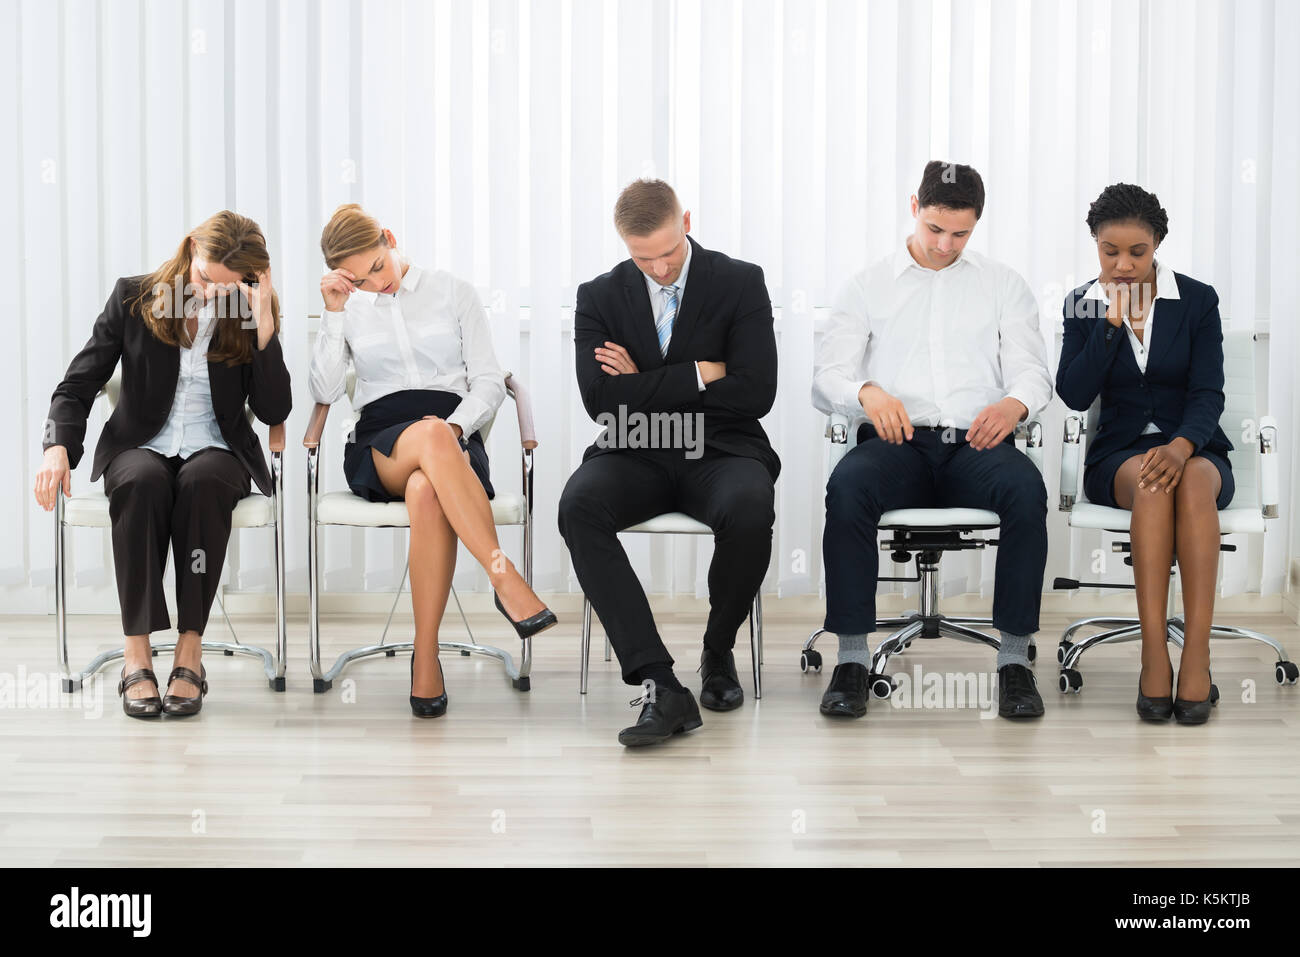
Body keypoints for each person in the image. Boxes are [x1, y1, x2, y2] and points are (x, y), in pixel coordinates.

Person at [812, 161, 1054, 721]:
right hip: (897, 444)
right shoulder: (867, 285)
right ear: (913, 205)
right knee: (847, 488)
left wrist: (1015, 403)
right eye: (935, 229)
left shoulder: (1003, 284)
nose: (946, 244)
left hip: (978, 442)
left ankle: (1014, 661)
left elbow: (1033, 373)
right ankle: (851, 658)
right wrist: (867, 391)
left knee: (1026, 491)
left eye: (961, 233)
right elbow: (826, 379)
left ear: (977, 225)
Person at [35, 211, 292, 718]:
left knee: (202, 482)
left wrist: (262, 316)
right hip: (140, 445)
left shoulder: (246, 308)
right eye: (205, 280)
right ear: (191, 247)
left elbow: (273, 410)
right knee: (142, 483)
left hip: (218, 449)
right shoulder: (134, 297)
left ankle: (189, 651)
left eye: (228, 287)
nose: (213, 294)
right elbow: (78, 383)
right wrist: (57, 444)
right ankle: (137, 653)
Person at [310, 204, 555, 719]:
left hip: (454, 441)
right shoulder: (347, 307)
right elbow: (327, 391)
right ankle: (503, 577)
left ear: (390, 239)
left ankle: (426, 657)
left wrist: (456, 428)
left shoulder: (453, 292)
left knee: (428, 483)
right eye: (357, 279)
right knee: (427, 440)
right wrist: (334, 312)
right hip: (382, 444)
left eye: (376, 267)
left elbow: (489, 380)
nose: (373, 284)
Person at [558, 178, 779, 747]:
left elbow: (757, 393)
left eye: (667, 253)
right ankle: (660, 682)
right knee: (579, 505)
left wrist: (642, 382)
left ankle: (718, 647)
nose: (658, 269)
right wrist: (701, 373)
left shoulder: (739, 281)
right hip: (634, 446)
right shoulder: (598, 296)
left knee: (750, 507)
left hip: (723, 447)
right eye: (642, 258)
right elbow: (600, 403)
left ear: (687, 221)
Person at [1056, 184, 1233, 725]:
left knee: (1193, 481)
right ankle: (1154, 655)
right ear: (1095, 244)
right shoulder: (1083, 303)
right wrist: (1110, 324)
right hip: (1121, 455)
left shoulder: (1197, 300)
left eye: (1137, 252)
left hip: (1194, 446)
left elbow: (1208, 392)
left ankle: (1196, 654)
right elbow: (1073, 393)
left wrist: (1182, 445)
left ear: (1157, 243)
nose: (1124, 264)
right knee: (1154, 485)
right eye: (1111, 252)